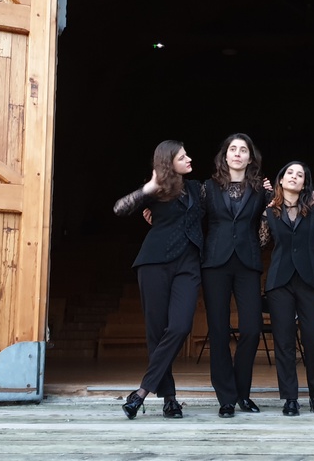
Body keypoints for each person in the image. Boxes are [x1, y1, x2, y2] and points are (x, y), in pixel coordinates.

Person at [113, 140, 203, 420]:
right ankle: (170, 399)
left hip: (188, 263)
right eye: (182, 156)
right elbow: (120, 209)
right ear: (168, 161)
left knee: (179, 326)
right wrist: (148, 189)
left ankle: (141, 392)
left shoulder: (198, 189)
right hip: (153, 263)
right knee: (156, 332)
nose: (189, 158)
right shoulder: (156, 190)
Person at [201, 133, 272, 418]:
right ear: (225, 155)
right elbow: (189, 217)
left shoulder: (261, 190)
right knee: (218, 331)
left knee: (252, 329)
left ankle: (243, 392)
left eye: (244, 150)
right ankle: (226, 398)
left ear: (250, 157)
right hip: (215, 263)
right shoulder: (207, 187)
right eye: (233, 149)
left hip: (248, 263)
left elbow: (271, 227)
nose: (238, 153)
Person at [259, 161, 314, 416]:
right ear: (281, 178)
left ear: (304, 183)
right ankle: (289, 398)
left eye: (300, 175)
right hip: (279, 282)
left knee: (313, 339)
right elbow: (258, 242)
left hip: (310, 280)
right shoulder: (269, 211)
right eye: (290, 172)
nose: (294, 177)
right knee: (284, 341)